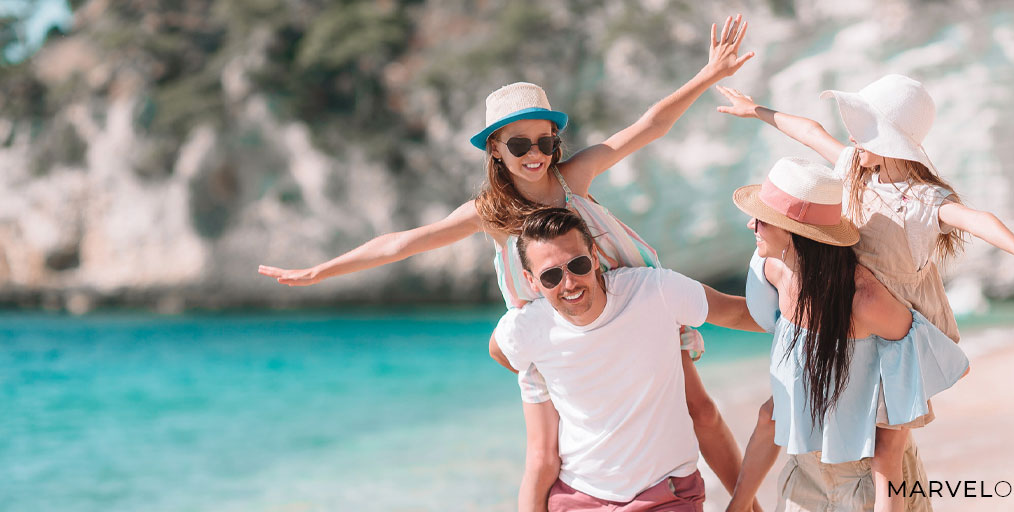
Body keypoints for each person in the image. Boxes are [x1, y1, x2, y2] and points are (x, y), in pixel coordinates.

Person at [258, 14, 759, 496]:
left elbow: (650, 125)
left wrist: (708, 74)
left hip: (629, 310)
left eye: (545, 140)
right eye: (519, 143)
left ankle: (748, 504)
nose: (535, 152)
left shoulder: (573, 178)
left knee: (704, 413)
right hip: (561, 331)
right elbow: (403, 242)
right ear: (495, 149)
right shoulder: (490, 213)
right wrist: (322, 271)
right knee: (555, 449)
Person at [717, 75, 1014, 512]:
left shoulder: (924, 201)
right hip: (855, 311)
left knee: (887, 447)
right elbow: (810, 131)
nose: (851, 135)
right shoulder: (852, 168)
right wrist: (756, 110)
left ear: (889, 140)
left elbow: (975, 217)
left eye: (863, 127)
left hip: (898, 329)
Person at [726, 157, 970, 512]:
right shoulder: (775, 271)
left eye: (763, 219)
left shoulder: (864, 299)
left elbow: (920, 376)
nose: (752, 225)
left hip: (868, 486)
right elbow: (772, 413)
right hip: (803, 476)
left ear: (794, 231)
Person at [492, 207, 763, 511]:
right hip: (577, 497)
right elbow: (499, 349)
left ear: (594, 257)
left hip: (665, 494)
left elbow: (737, 312)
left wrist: (813, 319)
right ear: (532, 281)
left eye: (577, 265)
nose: (568, 283)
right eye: (551, 275)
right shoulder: (530, 327)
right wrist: (548, 375)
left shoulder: (654, 291)